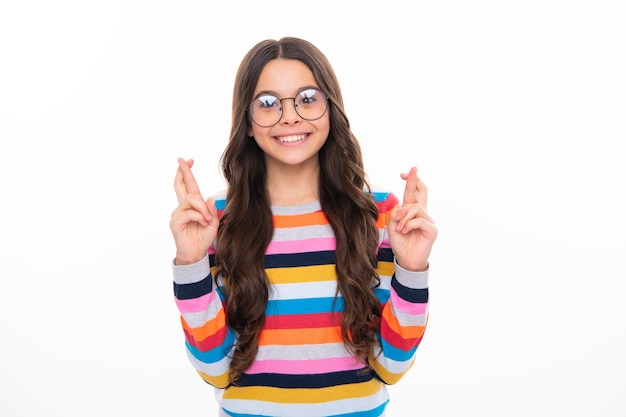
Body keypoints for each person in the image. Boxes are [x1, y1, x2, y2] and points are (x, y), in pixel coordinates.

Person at [169, 36, 438, 417]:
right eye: (267, 104)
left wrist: (412, 270)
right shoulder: (215, 219)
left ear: (331, 108)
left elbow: (391, 366)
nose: (290, 116)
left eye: (307, 98)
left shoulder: (378, 213)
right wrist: (191, 261)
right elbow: (215, 369)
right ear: (246, 121)